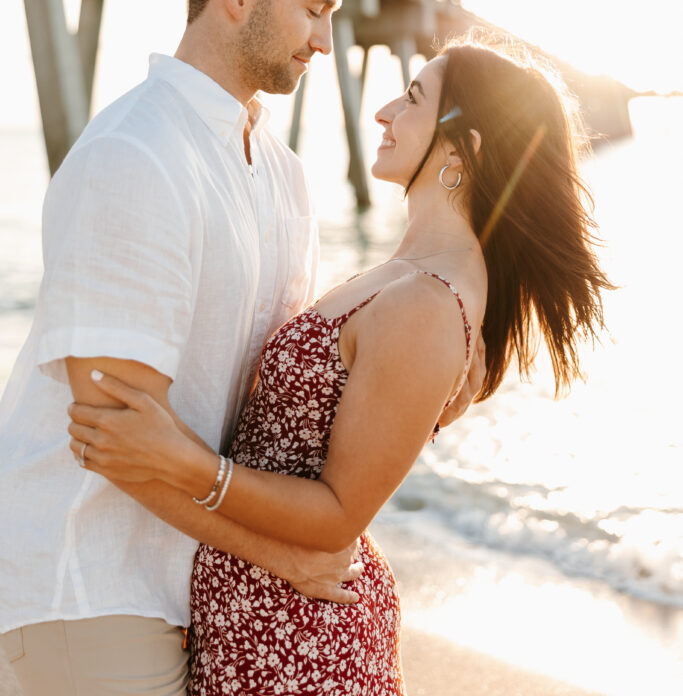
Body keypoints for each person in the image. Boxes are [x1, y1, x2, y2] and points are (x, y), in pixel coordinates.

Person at [67, 36, 612, 695]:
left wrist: (179, 462)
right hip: (261, 617)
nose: (381, 112)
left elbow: (337, 515)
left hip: (303, 638)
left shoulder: (428, 303)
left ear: (462, 148)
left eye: (412, 99)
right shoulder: (404, 276)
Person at [0, 0, 369, 694]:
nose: (323, 39)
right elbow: (115, 439)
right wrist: (286, 555)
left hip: (194, 577)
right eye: (314, 9)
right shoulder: (135, 157)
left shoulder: (285, 176)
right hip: (88, 586)